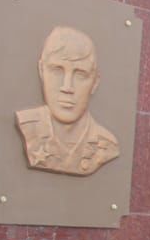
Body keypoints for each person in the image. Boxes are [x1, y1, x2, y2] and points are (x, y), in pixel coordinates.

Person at [15, 26, 119, 176]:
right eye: (57, 70)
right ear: (41, 71)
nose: (67, 87)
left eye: (80, 75)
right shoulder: (27, 126)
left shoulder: (107, 145)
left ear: (95, 82)